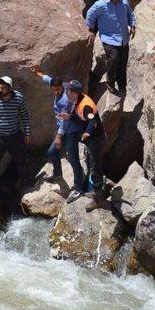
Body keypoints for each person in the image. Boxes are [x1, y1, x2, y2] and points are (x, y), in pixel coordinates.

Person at [30, 63, 85, 203]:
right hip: (62, 126)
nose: (55, 92)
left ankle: (78, 188)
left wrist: (59, 137)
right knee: (52, 152)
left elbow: (65, 120)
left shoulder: (67, 99)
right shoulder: (60, 84)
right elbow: (48, 79)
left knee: (73, 159)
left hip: (71, 130)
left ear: (62, 87)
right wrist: (38, 73)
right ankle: (57, 174)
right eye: (53, 90)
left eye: (58, 90)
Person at [60, 80, 107, 212]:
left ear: (73, 93)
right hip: (91, 139)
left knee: (95, 168)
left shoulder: (86, 105)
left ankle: (99, 198)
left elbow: (93, 122)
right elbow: (81, 118)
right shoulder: (79, 100)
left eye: (68, 90)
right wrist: (69, 117)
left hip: (96, 140)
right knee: (93, 166)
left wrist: (87, 132)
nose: (66, 91)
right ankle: (96, 191)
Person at [86, 0, 137, 96]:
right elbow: (90, 14)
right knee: (114, 59)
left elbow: (130, 13)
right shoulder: (100, 5)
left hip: (123, 38)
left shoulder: (123, 1)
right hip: (109, 38)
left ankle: (122, 86)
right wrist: (91, 29)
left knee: (123, 64)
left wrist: (133, 25)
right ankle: (110, 82)